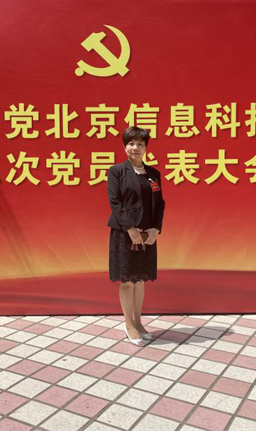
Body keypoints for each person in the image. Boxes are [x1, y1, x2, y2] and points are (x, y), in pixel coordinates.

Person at [107, 126, 166, 346]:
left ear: (146, 148)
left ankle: (138, 322)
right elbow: (115, 202)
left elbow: (160, 204)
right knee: (127, 281)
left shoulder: (153, 174)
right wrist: (130, 229)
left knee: (140, 280)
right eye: (131, 143)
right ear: (125, 147)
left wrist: (155, 229)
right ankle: (128, 324)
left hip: (146, 234)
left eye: (140, 144)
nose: (135, 148)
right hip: (125, 234)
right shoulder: (117, 171)